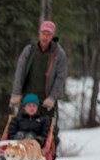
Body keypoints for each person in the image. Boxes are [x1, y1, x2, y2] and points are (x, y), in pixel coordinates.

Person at [9, 20, 67, 150]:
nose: (45, 37)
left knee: (49, 130)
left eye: (48, 34)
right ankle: (18, 155)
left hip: (47, 100)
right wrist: (16, 93)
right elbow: (20, 71)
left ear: (52, 36)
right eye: (43, 33)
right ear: (39, 34)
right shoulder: (29, 50)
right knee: (20, 126)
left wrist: (53, 97)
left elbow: (60, 77)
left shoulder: (58, 54)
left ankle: (46, 157)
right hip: (28, 97)